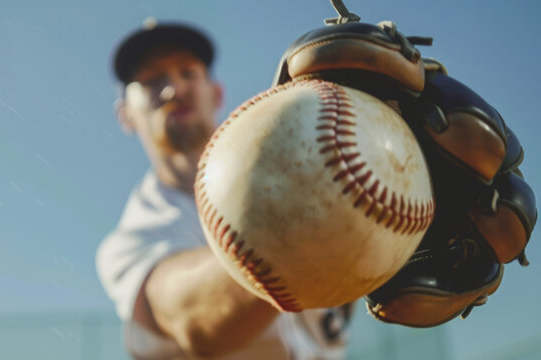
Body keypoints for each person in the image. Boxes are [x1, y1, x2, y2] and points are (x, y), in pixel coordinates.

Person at [96, 19, 353, 360]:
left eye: (188, 73)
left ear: (216, 93)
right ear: (126, 114)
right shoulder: (128, 242)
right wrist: (297, 235)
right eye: (152, 80)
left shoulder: (291, 168)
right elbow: (189, 317)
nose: (174, 88)